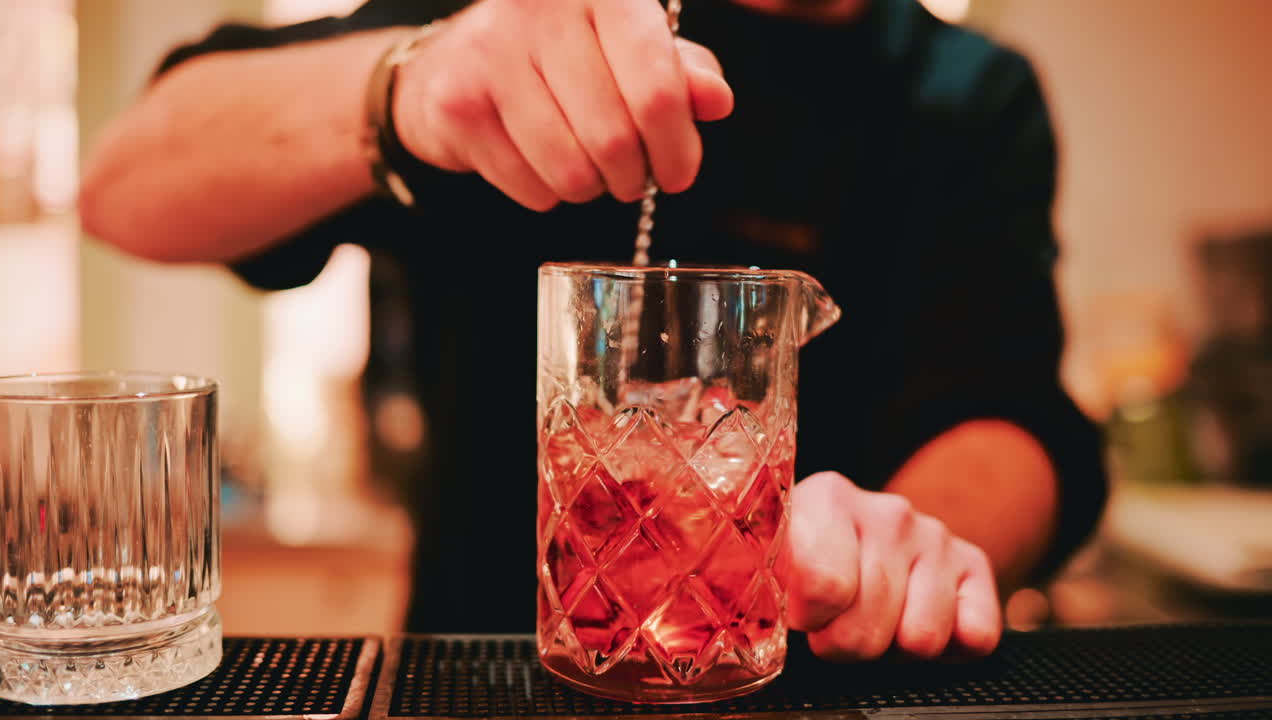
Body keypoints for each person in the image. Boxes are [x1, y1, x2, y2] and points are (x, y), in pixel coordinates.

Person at [80, 0, 1106, 662]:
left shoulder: (966, 95)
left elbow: (1002, 405)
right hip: (484, 677)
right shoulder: (521, 20)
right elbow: (123, 191)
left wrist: (906, 544)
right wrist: (410, 87)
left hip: (820, 679)